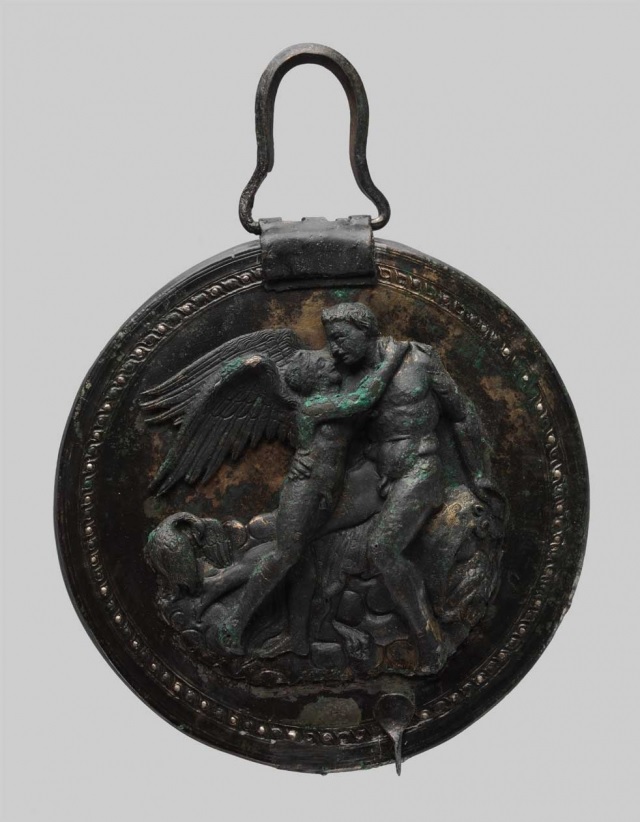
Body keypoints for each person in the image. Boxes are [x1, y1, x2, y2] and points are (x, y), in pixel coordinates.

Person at [321, 302, 490, 671]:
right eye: (330, 341)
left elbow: (461, 414)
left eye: (339, 338)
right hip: (375, 472)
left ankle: (432, 642)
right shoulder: (347, 375)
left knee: (382, 549)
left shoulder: (419, 360)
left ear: (365, 329)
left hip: (420, 469)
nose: (334, 348)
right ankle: (318, 626)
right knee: (311, 527)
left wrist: (479, 474)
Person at [218, 341, 409, 655]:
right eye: (322, 363)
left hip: (326, 490)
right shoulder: (314, 405)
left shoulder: (333, 403)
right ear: (313, 378)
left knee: (305, 564)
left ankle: (298, 639)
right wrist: (392, 360)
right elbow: (363, 399)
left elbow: (362, 408)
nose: (332, 361)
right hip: (305, 487)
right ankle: (233, 625)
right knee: (284, 555)